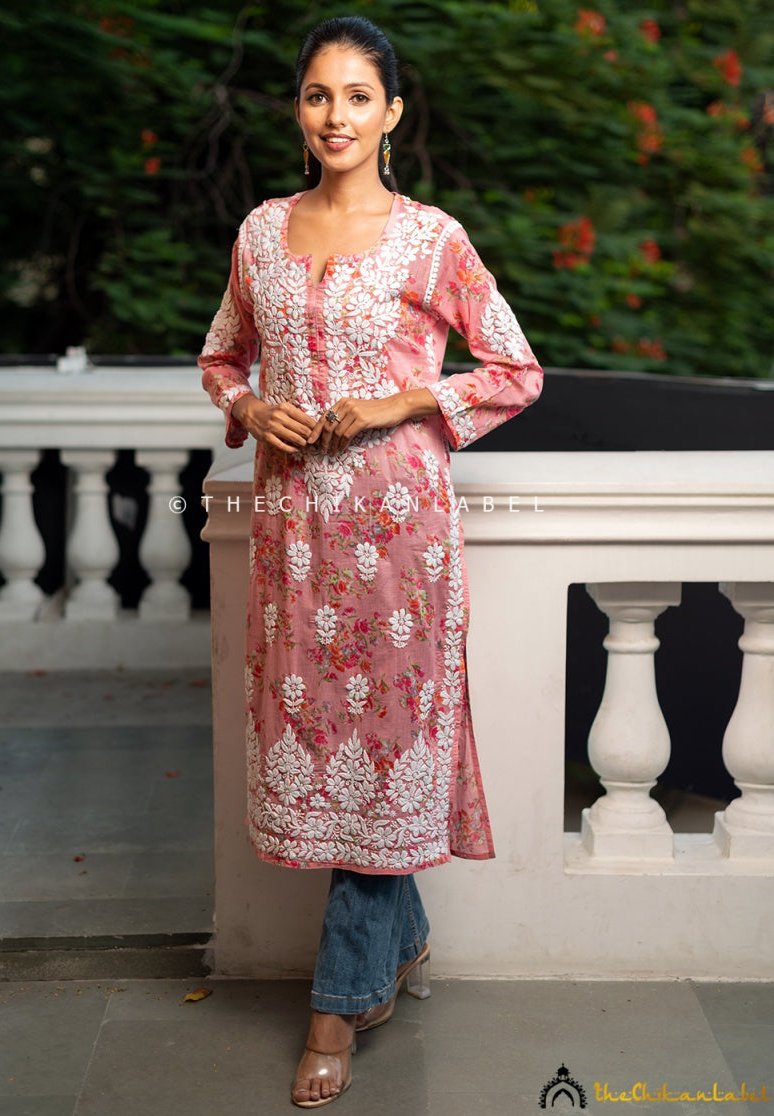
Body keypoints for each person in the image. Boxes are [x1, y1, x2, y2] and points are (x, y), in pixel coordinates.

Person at [198, 15, 543, 1108]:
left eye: (357, 96)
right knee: (328, 746)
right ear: (297, 112)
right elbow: (219, 356)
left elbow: (512, 369)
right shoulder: (260, 234)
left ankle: (334, 1006)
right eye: (315, 95)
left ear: (390, 113)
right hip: (295, 534)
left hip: (399, 540)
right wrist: (254, 404)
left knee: (383, 749)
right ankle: (400, 944)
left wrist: (402, 399)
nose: (334, 115)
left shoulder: (430, 238)